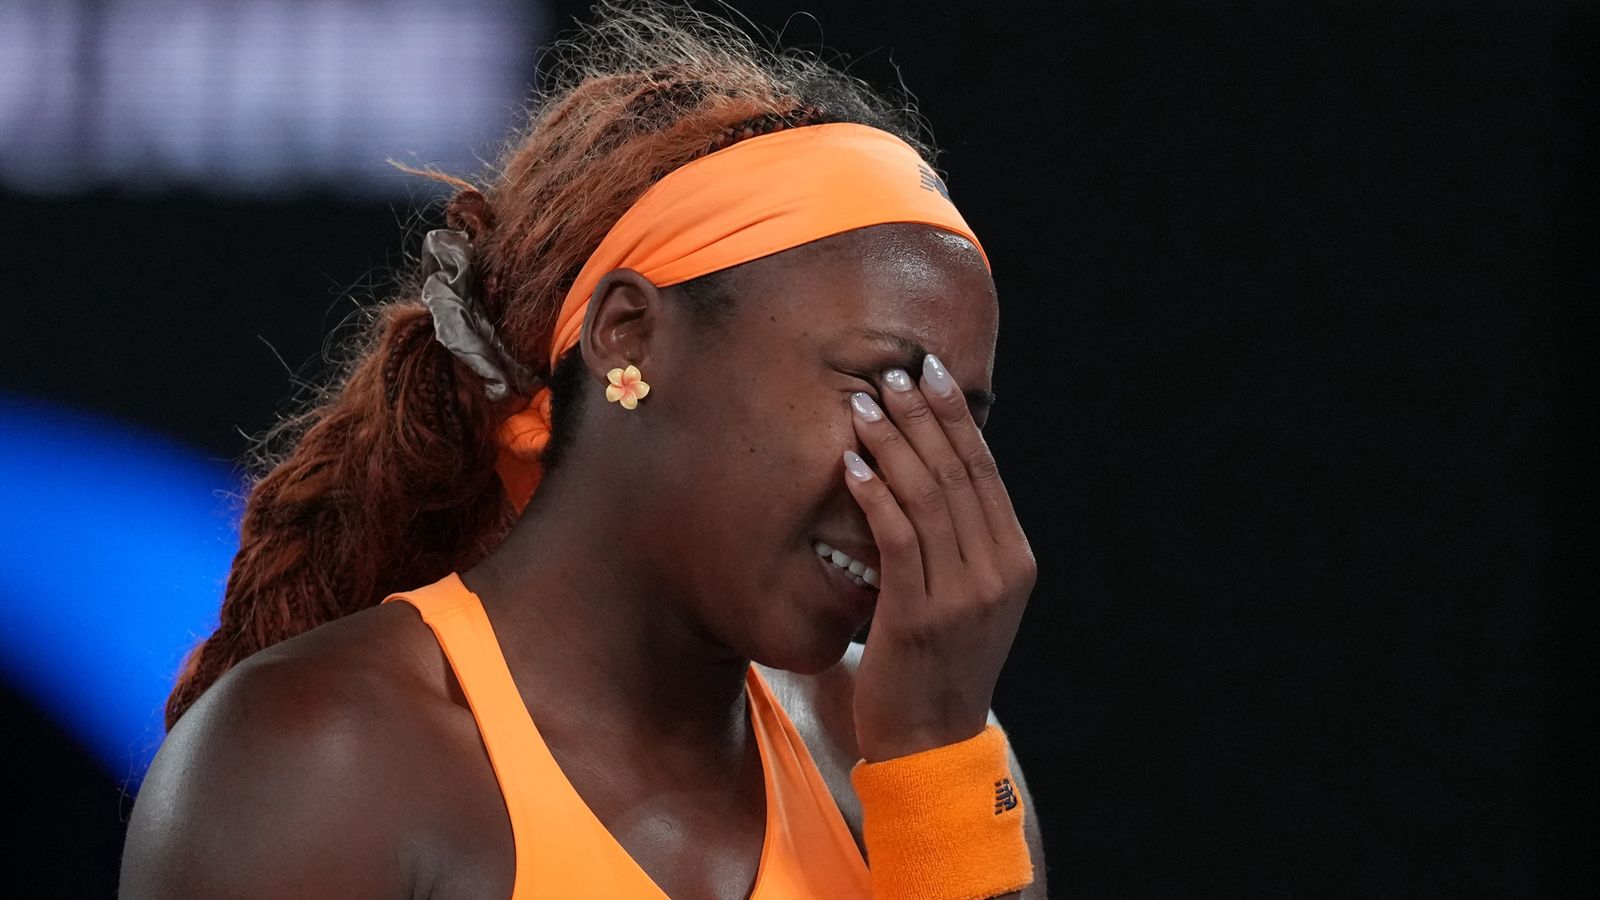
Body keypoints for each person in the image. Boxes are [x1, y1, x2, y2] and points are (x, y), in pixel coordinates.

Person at [120, 3, 1045, 897]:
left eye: (958, 419)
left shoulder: (917, 753)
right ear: (628, 335)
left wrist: (934, 764)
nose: (923, 475)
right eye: (881, 386)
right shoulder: (327, 761)